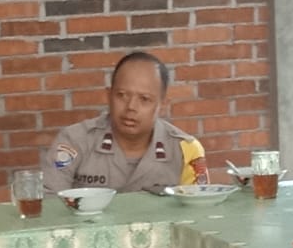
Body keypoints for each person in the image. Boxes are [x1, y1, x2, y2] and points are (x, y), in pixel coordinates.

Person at [43, 51, 209, 194]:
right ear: (109, 95)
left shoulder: (185, 149)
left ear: (163, 105)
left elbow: (198, 211)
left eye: (144, 99)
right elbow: (50, 205)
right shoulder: (74, 141)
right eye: (121, 95)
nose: (131, 107)